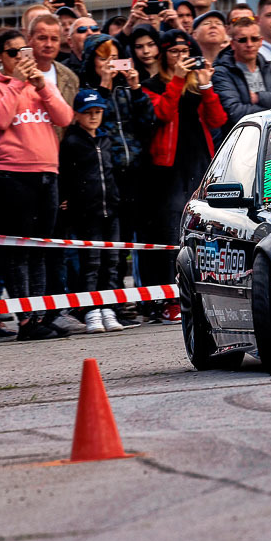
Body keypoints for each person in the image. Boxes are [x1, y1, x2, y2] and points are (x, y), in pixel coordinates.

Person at [0, 27, 74, 338]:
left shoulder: (42, 85)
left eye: (24, 52)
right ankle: (25, 320)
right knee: (19, 250)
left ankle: (39, 315)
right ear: (0, 56)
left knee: (39, 248)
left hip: (47, 173)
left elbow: (65, 118)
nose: (21, 58)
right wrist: (17, 83)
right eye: (13, 53)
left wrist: (42, 87)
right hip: (12, 174)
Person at [143, 31, 227, 321]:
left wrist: (206, 85)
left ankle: (206, 294)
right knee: (171, 232)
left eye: (185, 51)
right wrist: (177, 79)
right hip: (168, 168)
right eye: (174, 51)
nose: (181, 56)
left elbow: (218, 119)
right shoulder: (153, 85)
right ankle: (170, 299)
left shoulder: (195, 84)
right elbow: (163, 114)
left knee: (204, 228)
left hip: (199, 161)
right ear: (164, 54)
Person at [82, 33, 155, 326]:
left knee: (129, 240)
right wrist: (104, 86)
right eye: (103, 57)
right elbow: (97, 124)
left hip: (134, 170)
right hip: (106, 174)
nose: (110, 63)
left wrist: (136, 88)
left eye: (114, 57)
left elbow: (148, 121)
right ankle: (104, 302)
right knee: (106, 243)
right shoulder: (89, 90)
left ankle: (124, 300)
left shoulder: (127, 89)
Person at [59, 89, 125, 334]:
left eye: (98, 112)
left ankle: (108, 308)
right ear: (77, 114)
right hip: (87, 212)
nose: (94, 117)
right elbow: (65, 174)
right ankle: (91, 309)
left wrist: (116, 198)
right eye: (88, 113)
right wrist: (65, 198)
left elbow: (112, 172)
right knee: (91, 262)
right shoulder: (71, 142)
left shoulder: (106, 140)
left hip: (110, 210)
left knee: (112, 262)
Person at [213, 16, 271, 129]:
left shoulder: (270, 67)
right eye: (243, 40)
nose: (249, 44)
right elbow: (235, 113)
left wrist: (259, 97)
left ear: (260, 42)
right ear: (233, 44)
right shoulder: (221, 72)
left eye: (254, 39)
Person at [26, 12, 80, 104]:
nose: (49, 44)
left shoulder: (70, 78)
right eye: (42, 38)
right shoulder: (14, 74)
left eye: (54, 39)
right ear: (29, 39)